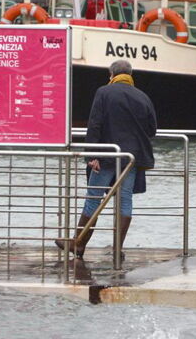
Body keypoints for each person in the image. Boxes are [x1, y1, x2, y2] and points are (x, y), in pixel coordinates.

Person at [57, 59, 157, 259]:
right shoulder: (143, 96)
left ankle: (79, 243)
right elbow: (152, 129)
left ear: (112, 74)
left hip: (107, 156)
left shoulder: (104, 92)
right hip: (130, 159)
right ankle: (117, 249)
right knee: (125, 200)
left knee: (94, 198)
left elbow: (95, 124)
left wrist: (92, 154)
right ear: (130, 75)